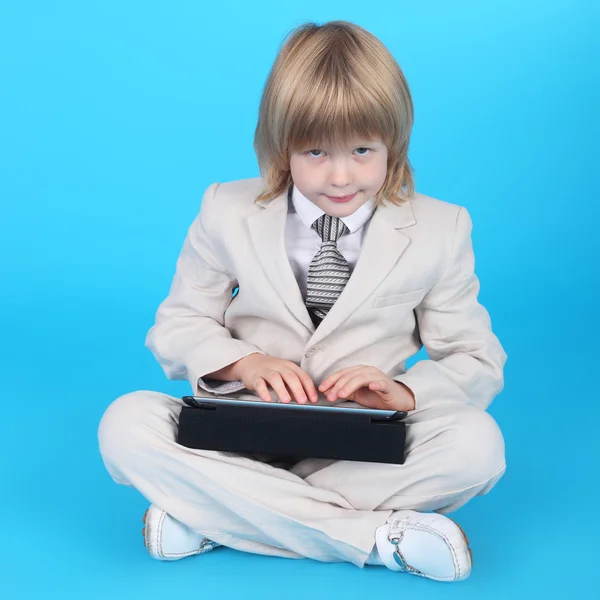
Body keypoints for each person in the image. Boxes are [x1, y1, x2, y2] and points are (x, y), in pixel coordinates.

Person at [98, 20, 507, 582]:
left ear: (395, 142)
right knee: (124, 423)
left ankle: (215, 515)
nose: (341, 175)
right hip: (240, 434)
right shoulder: (226, 209)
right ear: (280, 144)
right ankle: (375, 538)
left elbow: (477, 361)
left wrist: (404, 391)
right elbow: (177, 324)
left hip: (360, 446)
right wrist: (244, 362)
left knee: (478, 448)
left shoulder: (441, 228)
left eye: (363, 150)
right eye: (315, 151)